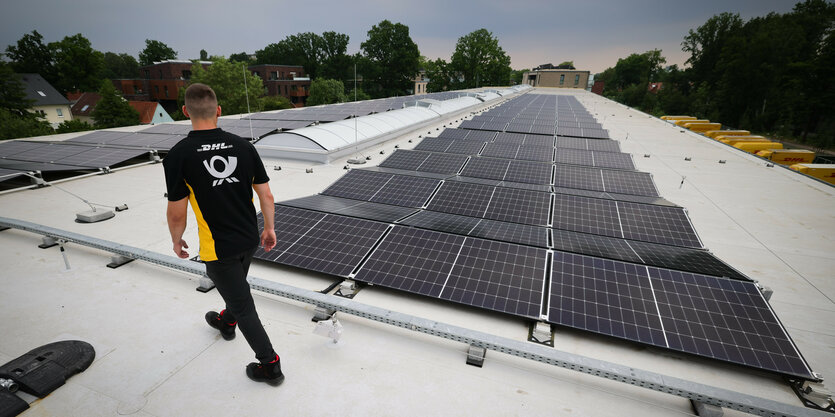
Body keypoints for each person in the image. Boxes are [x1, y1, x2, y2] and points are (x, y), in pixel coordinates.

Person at [163, 83, 283, 386]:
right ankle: (225, 321)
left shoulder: (179, 155)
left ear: (185, 112)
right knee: (237, 290)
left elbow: (177, 211)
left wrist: (177, 239)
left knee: (244, 305)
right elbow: (266, 195)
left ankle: (270, 365)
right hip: (248, 238)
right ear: (218, 111)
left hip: (218, 249)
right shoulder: (244, 147)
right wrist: (268, 228)